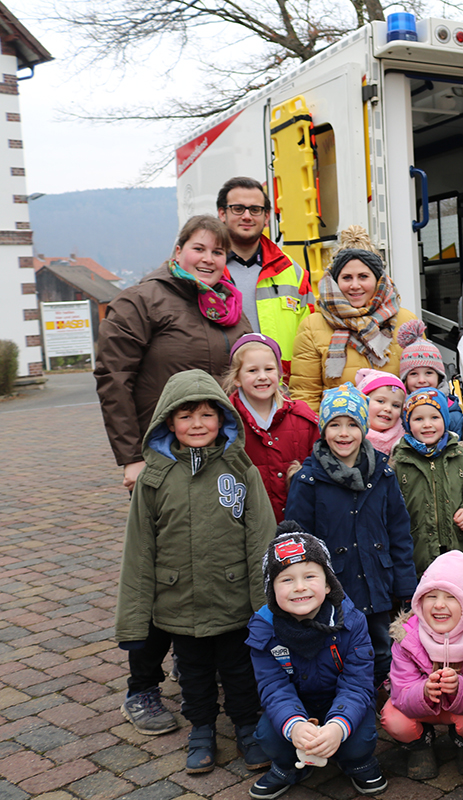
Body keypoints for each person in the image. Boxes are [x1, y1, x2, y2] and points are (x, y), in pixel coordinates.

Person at [95, 214, 251, 736]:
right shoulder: (143, 300)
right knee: (158, 569)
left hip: (215, 459)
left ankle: (198, 660)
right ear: (179, 248)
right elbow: (113, 376)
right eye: (200, 248)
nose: (210, 259)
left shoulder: (229, 307)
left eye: (220, 252)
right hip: (159, 459)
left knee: (210, 557)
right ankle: (142, 686)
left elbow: (248, 370)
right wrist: (131, 457)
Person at [114, 370, 275, 774]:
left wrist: (267, 608)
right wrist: (133, 622)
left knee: (241, 671)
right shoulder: (155, 479)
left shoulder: (241, 470)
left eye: (206, 414)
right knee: (195, 673)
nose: (198, 424)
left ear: (222, 419)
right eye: (186, 417)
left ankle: (247, 726)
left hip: (234, 598)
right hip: (180, 601)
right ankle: (201, 728)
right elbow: (139, 551)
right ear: (169, 422)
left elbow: (260, 539)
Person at [285, 383, 417, 690]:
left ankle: (382, 702)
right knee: (338, 651)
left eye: (352, 425)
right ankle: (347, 706)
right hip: (335, 588)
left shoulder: (383, 475)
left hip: (376, 582)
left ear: (363, 428)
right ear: (323, 429)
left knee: (381, 648)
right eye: (335, 425)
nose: (344, 434)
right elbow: (298, 542)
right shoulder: (308, 481)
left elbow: (399, 532)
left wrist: (406, 586)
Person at [247, 525, 388, 799]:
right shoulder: (263, 629)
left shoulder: (352, 622)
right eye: (286, 580)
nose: (299, 587)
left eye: (309, 576)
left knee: (360, 739)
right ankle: (289, 767)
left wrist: (338, 726)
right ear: (271, 589)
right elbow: (273, 687)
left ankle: (356, 762)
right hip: (296, 704)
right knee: (268, 736)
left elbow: (358, 684)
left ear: (327, 583)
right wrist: (296, 725)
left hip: (343, 701)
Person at [382, 550, 463, 779]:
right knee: (393, 718)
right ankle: (420, 744)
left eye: (451, 597)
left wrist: (460, 687)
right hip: (420, 706)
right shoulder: (406, 637)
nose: (439, 605)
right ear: (419, 600)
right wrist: (425, 690)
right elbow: (402, 690)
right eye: (431, 596)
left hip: (462, 708)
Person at [290, 227, 417, 413]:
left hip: (396, 436)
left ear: (378, 280)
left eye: (363, 277)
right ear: (335, 281)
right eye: (346, 277)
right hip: (339, 436)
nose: (355, 285)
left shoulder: (406, 322)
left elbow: (421, 386)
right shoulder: (312, 326)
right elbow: (306, 396)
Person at [216, 177, 314, 378]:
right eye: (237, 208)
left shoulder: (293, 272)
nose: (246, 216)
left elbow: (310, 339)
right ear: (221, 214)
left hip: (281, 391)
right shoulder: (207, 270)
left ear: (266, 217)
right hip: (222, 389)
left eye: (255, 210)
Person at [222, 333, 320, 523]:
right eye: (252, 371)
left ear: (279, 373)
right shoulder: (226, 422)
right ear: (237, 378)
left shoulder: (303, 419)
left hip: (300, 523)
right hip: (248, 525)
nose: (262, 377)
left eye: (269, 369)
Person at [390, 388, 463, 574]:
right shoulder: (399, 461)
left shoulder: (461, 456)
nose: (427, 424)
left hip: (456, 546)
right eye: (418, 419)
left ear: (445, 420)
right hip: (418, 549)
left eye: (434, 418)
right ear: (408, 424)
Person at [395, 319, 463, 439]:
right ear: (404, 380)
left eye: (428, 373)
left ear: (440, 377)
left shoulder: (452, 412)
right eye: (413, 374)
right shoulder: (399, 410)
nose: (421, 380)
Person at [354, 368, 407, 455]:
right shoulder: (349, 436)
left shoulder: (404, 440)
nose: (388, 409)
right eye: (380, 401)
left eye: (396, 405)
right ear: (362, 401)